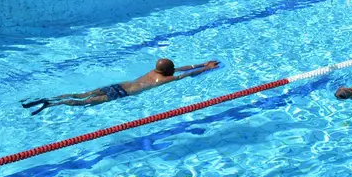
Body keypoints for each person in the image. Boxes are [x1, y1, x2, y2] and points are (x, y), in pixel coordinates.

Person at [22, 58, 218, 115]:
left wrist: (201, 63)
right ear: (168, 71)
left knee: (82, 94)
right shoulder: (165, 79)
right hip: (122, 94)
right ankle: (52, 105)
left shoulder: (154, 72)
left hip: (117, 86)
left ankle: (49, 99)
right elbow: (186, 74)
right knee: (85, 102)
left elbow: (178, 68)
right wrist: (205, 68)